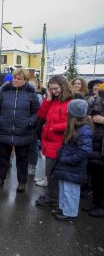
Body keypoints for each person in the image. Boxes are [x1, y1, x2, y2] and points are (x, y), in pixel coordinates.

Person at [0, 68, 40, 192]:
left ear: (25, 80)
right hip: (4, 130)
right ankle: (0, 178)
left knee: (22, 159)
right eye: (14, 78)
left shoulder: (31, 93)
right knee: (3, 157)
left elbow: (37, 113)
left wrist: (29, 122)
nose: (15, 80)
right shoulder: (4, 91)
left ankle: (22, 182)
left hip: (23, 132)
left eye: (19, 79)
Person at [35, 75, 74, 206]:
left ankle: (53, 198)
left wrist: (52, 127)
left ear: (63, 86)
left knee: (52, 172)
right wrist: (48, 99)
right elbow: (41, 115)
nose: (54, 91)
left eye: (56, 88)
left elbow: (71, 123)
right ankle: (53, 196)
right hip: (49, 141)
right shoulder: (53, 100)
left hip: (59, 142)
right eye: (51, 89)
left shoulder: (70, 102)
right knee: (50, 172)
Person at [51, 99, 92, 221]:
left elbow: (85, 151)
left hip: (72, 167)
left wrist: (68, 159)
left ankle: (70, 213)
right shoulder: (76, 127)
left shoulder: (84, 130)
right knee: (64, 189)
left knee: (71, 191)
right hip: (67, 166)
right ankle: (64, 208)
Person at [83, 83, 104, 217]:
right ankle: (96, 204)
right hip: (97, 142)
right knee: (97, 178)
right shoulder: (98, 99)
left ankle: (101, 206)